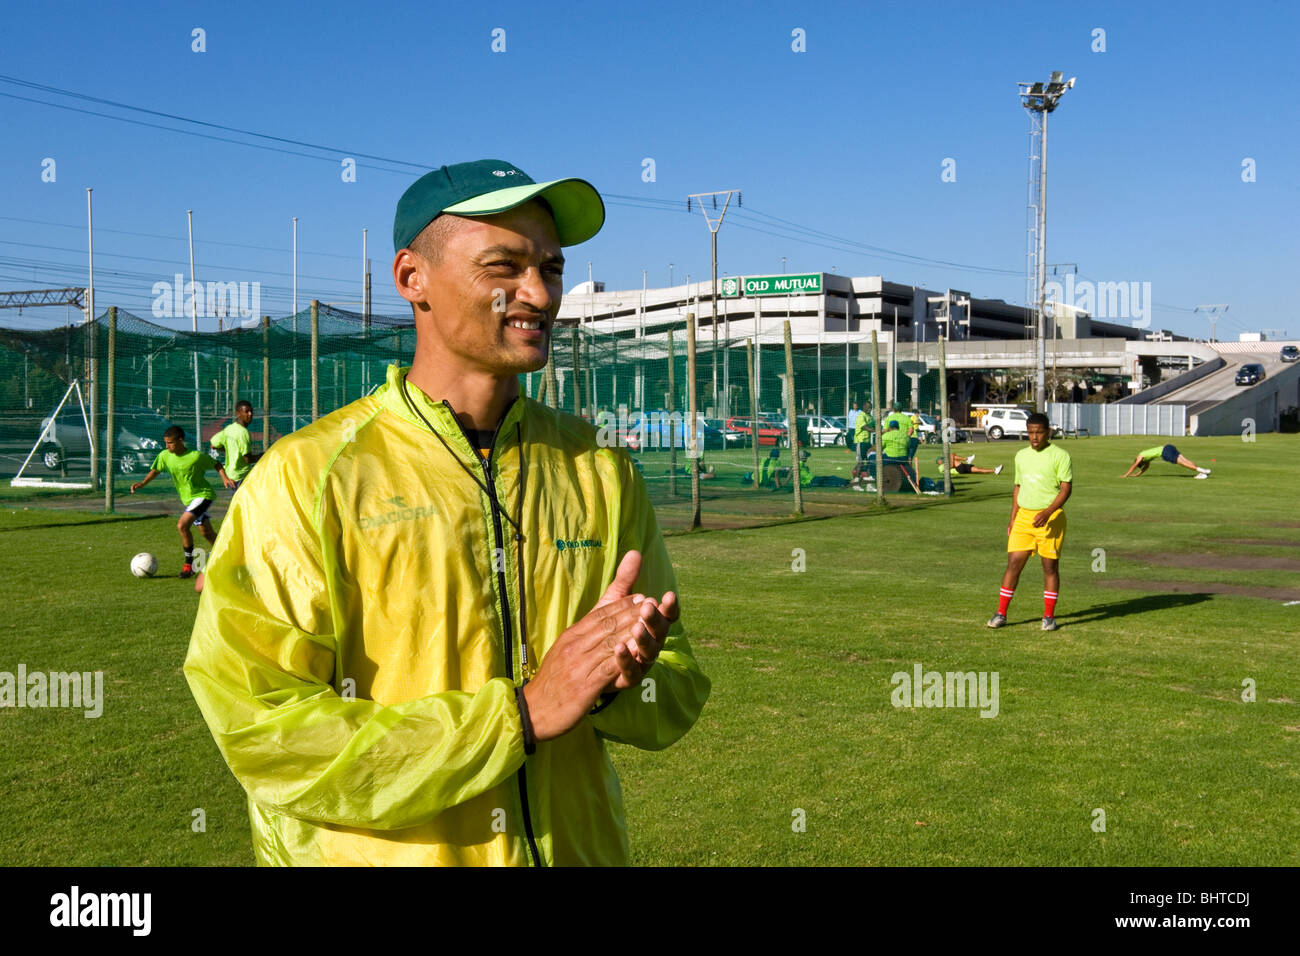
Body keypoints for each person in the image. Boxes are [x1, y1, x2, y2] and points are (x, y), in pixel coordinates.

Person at [184, 159, 711, 866]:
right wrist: (517, 717)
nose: (540, 293)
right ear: (413, 279)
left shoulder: (598, 468)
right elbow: (265, 730)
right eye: (506, 266)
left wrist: (619, 683)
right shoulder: (309, 477)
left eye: (551, 269)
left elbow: (676, 690)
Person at [988, 412, 1072, 632]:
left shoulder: (1060, 455)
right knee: (1014, 564)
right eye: (1031, 432)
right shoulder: (1021, 456)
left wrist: (1048, 512)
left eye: (1039, 432)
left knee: (1049, 567)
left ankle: (1048, 617)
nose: (1034, 437)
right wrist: (1013, 518)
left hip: (1050, 519)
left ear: (1048, 432)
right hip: (1024, 518)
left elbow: (1066, 489)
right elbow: (1018, 487)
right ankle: (1001, 613)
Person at [129, 425, 234, 578]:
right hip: (189, 500)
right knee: (207, 533)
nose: (167, 446)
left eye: (170, 443)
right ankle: (229, 554)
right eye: (166, 443)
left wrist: (224, 477)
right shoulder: (165, 456)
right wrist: (143, 483)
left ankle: (188, 566)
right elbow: (156, 470)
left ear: (181, 440)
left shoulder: (195, 456)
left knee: (182, 525)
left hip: (203, 495)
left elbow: (216, 463)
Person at [209, 400, 256, 490]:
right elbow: (247, 459)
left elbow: (213, 445)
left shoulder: (229, 429)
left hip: (231, 476)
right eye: (246, 411)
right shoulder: (243, 432)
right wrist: (264, 455)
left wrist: (231, 450)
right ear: (238, 413)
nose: (250, 414)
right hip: (241, 478)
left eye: (251, 411)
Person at [1121, 443, 1210, 479]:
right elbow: (1146, 467)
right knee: (1185, 460)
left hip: (1165, 452)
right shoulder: (1146, 459)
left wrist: (1126, 475)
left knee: (1183, 463)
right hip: (1168, 447)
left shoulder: (1141, 455)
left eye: (1141, 464)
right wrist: (1137, 474)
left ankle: (1203, 471)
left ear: (1140, 461)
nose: (1143, 464)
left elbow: (1134, 465)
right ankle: (1202, 472)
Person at [938, 453, 1003, 477]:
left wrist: (952, 456)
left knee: (978, 469)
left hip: (961, 468)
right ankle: (967, 459)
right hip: (959, 469)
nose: (942, 460)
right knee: (951, 455)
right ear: (939, 463)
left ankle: (995, 470)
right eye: (941, 460)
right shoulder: (941, 467)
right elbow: (951, 465)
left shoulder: (943, 464)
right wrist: (951, 456)